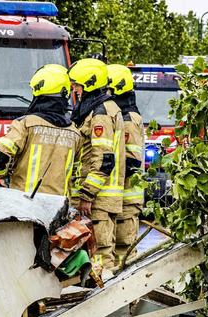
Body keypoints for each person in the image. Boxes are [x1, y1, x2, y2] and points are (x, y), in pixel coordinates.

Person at [0, 64, 84, 196]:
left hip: (25, 206)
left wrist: (2, 175)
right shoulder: (75, 132)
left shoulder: (25, 124)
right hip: (57, 208)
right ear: (65, 93)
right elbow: (78, 173)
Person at [67, 58, 126, 272]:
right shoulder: (99, 109)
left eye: (78, 85)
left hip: (98, 200)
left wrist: (87, 195)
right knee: (94, 255)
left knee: (101, 256)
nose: (75, 90)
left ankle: (106, 301)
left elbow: (103, 160)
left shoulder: (100, 114)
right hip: (99, 198)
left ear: (90, 84)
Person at [108, 63, 145, 261]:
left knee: (124, 255)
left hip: (126, 200)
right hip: (119, 199)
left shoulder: (128, 119)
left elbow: (131, 161)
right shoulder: (122, 115)